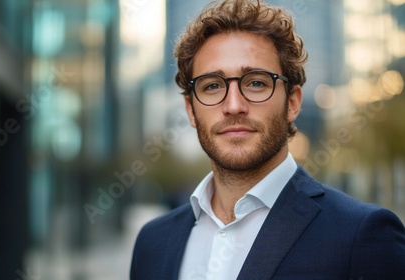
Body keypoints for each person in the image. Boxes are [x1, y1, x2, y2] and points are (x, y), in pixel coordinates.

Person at [130, 0, 405, 279]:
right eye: (212, 86)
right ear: (190, 109)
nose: (234, 105)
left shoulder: (363, 236)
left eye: (256, 82)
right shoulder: (152, 243)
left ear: (293, 102)